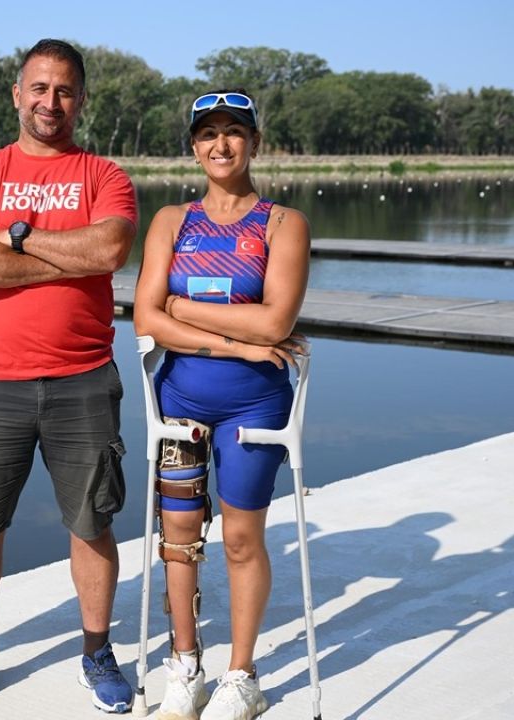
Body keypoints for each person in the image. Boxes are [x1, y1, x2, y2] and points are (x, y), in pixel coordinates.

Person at [0, 39, 138, 716]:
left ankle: (97, 650)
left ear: (81, 99)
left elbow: (108, 247)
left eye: (66, 90)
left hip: (84, 379)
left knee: (91, 524)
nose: (52, 102)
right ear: (19, 93)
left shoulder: (105, 175)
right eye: (40, 89)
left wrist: (17, 237)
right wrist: (62, 253)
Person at [132, 89, 310, 720]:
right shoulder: (170, 223)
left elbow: (278, 320)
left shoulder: (283, 224)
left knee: (239, 538)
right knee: (178, 538)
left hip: (256, 407)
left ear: (255, 143)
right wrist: (234, 340)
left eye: (234, 133)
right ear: (194, 147)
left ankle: (242, 675)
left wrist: (181, 310)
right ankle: (185, 664)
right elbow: (143, 320)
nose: (221, 145)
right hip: (179, 399)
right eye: (208, 135)